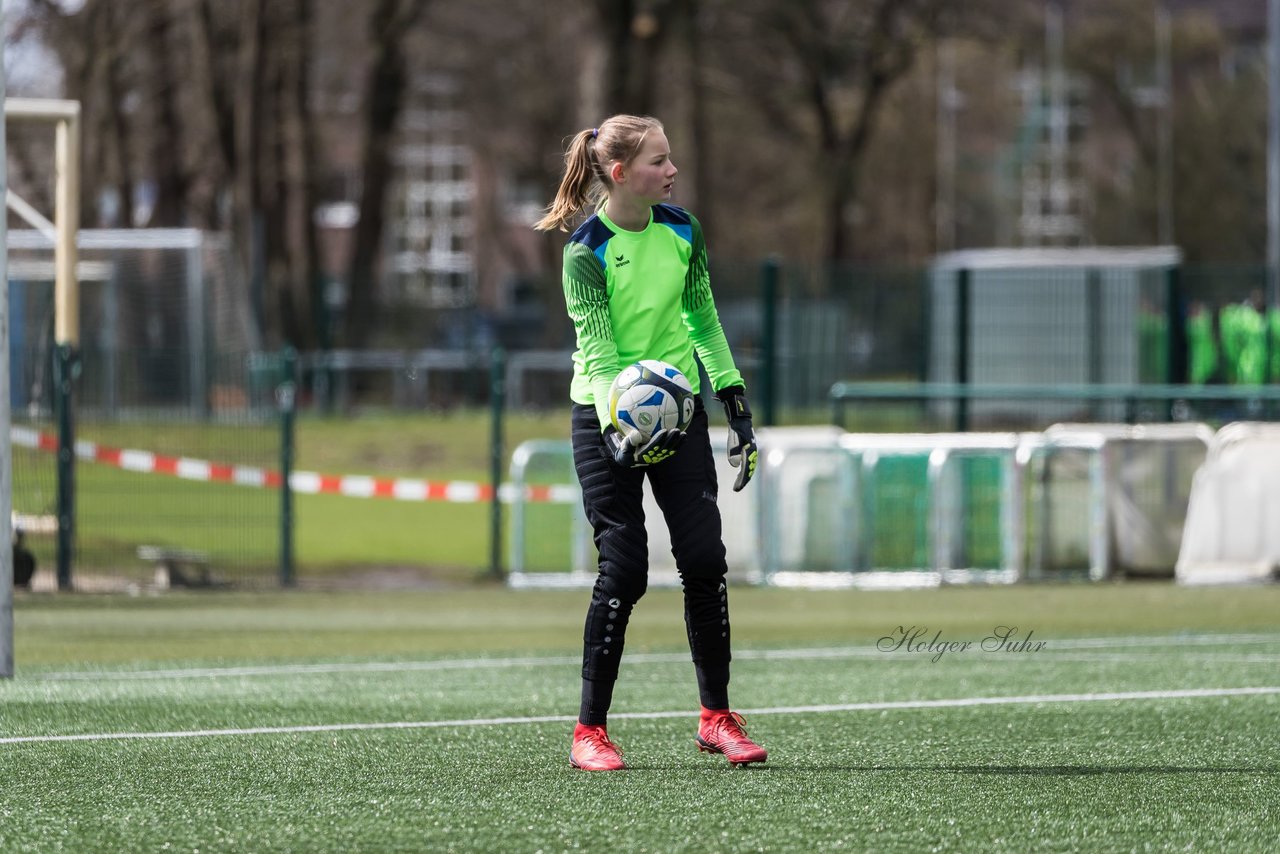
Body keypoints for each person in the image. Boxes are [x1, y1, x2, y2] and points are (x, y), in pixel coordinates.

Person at [534, 114, 764, 771]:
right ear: (620, 174)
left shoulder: (683, 230)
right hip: (605, 417)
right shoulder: (586, 252)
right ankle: (589, 732)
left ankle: (717, 718)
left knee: (704, 559)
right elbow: (600, 357)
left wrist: (735, 403)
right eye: (659, 161)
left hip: (682, 411)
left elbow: (703, 318)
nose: (672, 170)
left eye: (670, 158)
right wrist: (618, 420)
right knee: (625, 568)